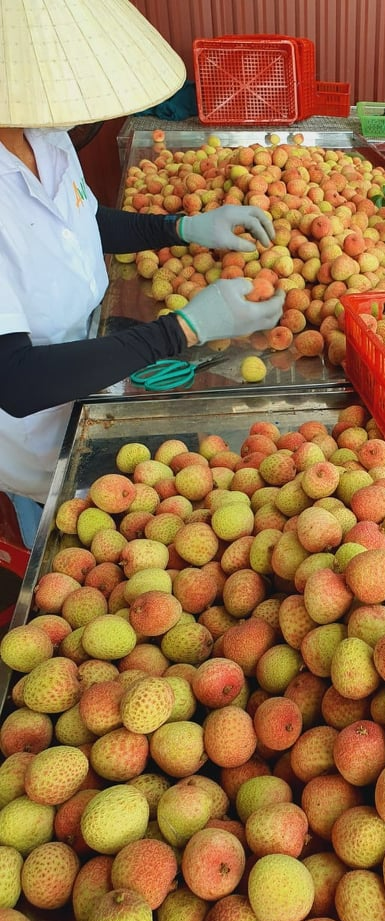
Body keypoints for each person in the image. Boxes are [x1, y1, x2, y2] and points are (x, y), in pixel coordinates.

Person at [0, 0, 285, 546]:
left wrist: (184, 229)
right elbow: (14, 379)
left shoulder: (46, 133)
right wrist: (180, 330)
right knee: (69, 548)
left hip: (93, 378)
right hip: (33, 438)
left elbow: (80, 223)